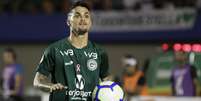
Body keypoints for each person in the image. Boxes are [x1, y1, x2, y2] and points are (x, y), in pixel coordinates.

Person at [33, 1, 110, 101]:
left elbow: (106, 80)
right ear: (68, 21)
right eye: (77, 16)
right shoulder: (54, 49)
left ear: (90, 22)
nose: (83, 19)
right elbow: (38, 81)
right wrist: (50, 86)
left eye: (86, 16)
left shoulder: (100, 52)